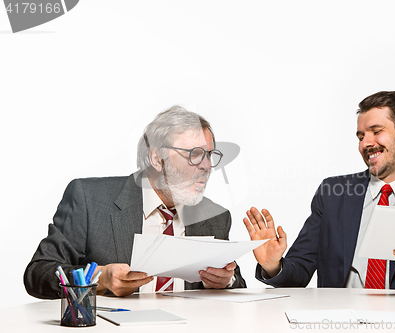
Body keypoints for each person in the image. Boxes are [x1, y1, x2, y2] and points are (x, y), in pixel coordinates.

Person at [244, 91, 395, 294]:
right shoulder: (332, 194)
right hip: (340, 321)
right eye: (361, 136)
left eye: (376, 131)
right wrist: (273, 265)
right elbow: (299, 272)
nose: (366, 143)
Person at [25, 106, 246, 299]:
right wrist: (99, 280)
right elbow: (38, 273)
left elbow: (236, 284)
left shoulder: (216, 217)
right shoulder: (89, 199)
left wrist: (225, 281)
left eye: (209, 154)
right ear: (157, 159)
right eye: (195, 154)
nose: (207, 165)